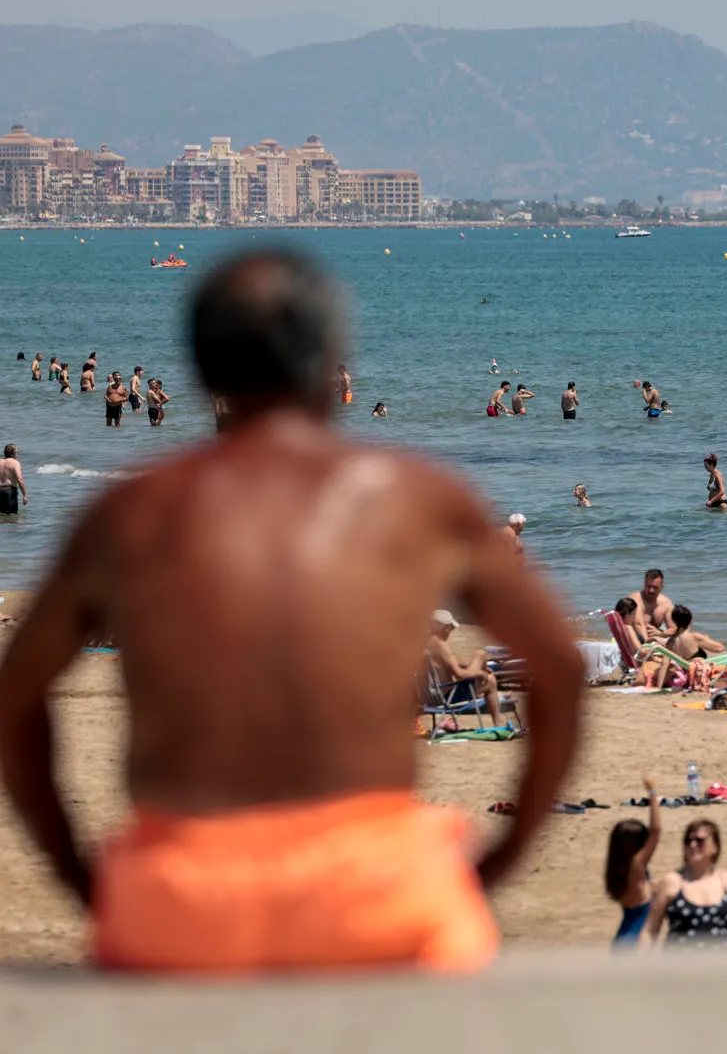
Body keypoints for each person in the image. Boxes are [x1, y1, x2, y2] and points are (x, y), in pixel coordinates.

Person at [0, 250, 584, 972]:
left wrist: (80, 874)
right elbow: (558, 669)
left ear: (201, 372)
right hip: (376, 892)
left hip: (182, 896)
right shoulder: (413, 498)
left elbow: (17, 694)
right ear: (334, 362)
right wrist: (504, 856)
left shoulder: (132, 513)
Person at [642, 820, 727, 949]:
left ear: (715, 847)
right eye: (688, 841)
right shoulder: (671, 882)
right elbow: (650, 931)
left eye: (700, 841)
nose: (692, 845)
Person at [427, 610, 510, 730]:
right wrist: (480, 673)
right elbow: (459, 674)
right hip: (448, 696)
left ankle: (498, 719)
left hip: (432, 696)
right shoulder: (441, 645)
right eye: (450, 628)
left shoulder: (427, 642)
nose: (451, 631)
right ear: (443, 627)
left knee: (479, 659)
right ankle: (499, 722)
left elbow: (448, 665)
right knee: (488, 674)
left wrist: (474, 668)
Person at [605, 777, 662, 948]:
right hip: (636, 942)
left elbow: (649, 891)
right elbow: (656, 831)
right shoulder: (636, 866)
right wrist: (652, 793)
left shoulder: (616, 868)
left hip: (623, 938)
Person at [625, 570, 675, 643]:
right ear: (644, 584)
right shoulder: (635, 599)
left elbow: (673, 628)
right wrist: (647, 644)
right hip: (634, 639)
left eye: (655, 587)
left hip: (654, 639)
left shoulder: (666, 603)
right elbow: (638, 624)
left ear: (662, 587)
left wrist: (660, 634)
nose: (651, 590)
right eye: (648, 586)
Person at [0, 444, 25, 516]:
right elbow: (20, 479)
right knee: (11, 516)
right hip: (9, 492)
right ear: (12, 453)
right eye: (16, 452)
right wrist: (24, 495)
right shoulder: (15, 463)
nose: (17, 454)